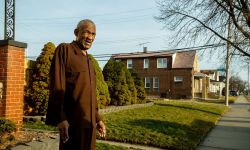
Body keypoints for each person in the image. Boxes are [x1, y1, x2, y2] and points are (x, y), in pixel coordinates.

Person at [45, 19, 106, 150]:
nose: (90, 37)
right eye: (87, 32)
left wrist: (98, 119)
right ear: (76, 32)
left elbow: (91, 95)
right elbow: (57, 86)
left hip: (89, 124)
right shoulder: (65, 50)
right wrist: (61, 118)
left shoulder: (89, 61)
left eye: (93, 34)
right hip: (72, 124)